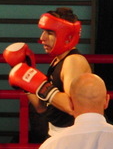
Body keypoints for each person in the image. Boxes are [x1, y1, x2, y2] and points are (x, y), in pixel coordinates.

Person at [5, 7, 92, 137]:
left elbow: (73, 107)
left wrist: (42, 86)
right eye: (44, 32)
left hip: (73, 135)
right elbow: (42, 107)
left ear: (66, 35)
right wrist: (26, 80)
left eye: (50, 33)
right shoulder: (57, 60)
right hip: (56, 131)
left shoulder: (73, 61)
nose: (42, 38)